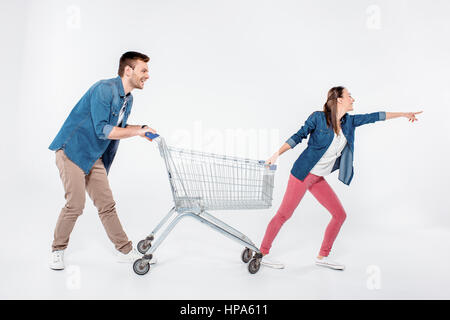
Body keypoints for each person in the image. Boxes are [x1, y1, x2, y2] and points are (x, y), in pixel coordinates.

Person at [258, 86, 422, 270]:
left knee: (339, 215)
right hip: (303, 174)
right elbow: (298, 136)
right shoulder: (318, 118)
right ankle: (262, 254)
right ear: (339, 100)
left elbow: (376, 116)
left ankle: (322, 257)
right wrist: (276, 155)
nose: (353, 99)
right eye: (349, 96)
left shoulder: (349, 122)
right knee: (284, 214)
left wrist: (403, 114)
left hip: (318, 178)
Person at [48, 51, 157, 270]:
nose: (147, 75)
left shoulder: (128, 99)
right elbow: (103, 130)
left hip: (93, 156)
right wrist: (136, 133)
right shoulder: (104, 89)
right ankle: (57, 250)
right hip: (72, 151)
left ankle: (125, 250)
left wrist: (141, 129)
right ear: (128, 70)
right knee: (75, 205)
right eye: (143, 70)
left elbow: (119, 127)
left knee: (107, 205)